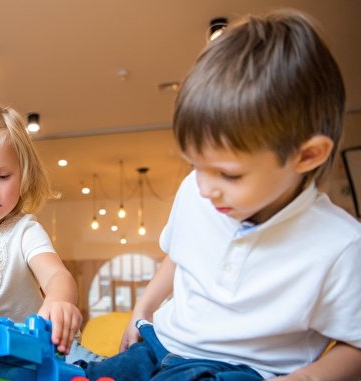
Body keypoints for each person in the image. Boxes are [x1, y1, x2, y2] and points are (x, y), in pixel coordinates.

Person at [82, 9, 361, 381]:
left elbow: (356, 343)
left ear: (306, 156)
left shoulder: (340, 246)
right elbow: (178, 257)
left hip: (238, 371)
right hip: (160, 343)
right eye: (195, 166)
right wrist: (143, 308)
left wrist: (306, 378)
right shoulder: (196, 195)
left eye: (228, 174)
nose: (203, 188)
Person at [0, 102, 101, 364]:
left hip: (40, 352)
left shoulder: (24, 231)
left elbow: (56, 275)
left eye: (3, 176)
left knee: (103, 368)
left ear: (23, 176)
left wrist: (60, 302)